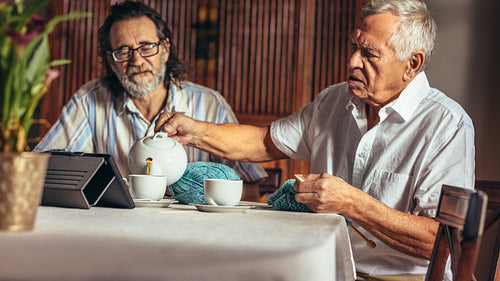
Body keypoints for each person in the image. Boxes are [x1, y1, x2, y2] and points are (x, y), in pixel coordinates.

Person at [155, 0, 474, 279]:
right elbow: (266, 142)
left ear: (412, 65)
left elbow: (442, 240)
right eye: (354, 47)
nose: (352, 61)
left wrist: (351, 203)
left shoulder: (447, 126)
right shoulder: (333, 100)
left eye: (369, 53)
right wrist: (196, 131)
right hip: (321, 270)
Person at [34, 1, 267, 198]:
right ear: (111, 60)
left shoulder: (209, 104)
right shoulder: (90, 100)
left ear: (165, 49)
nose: (136, 60)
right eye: (123, 52)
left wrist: (184, 192)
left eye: (146, 47)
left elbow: (252, 188)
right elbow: (42, 169)